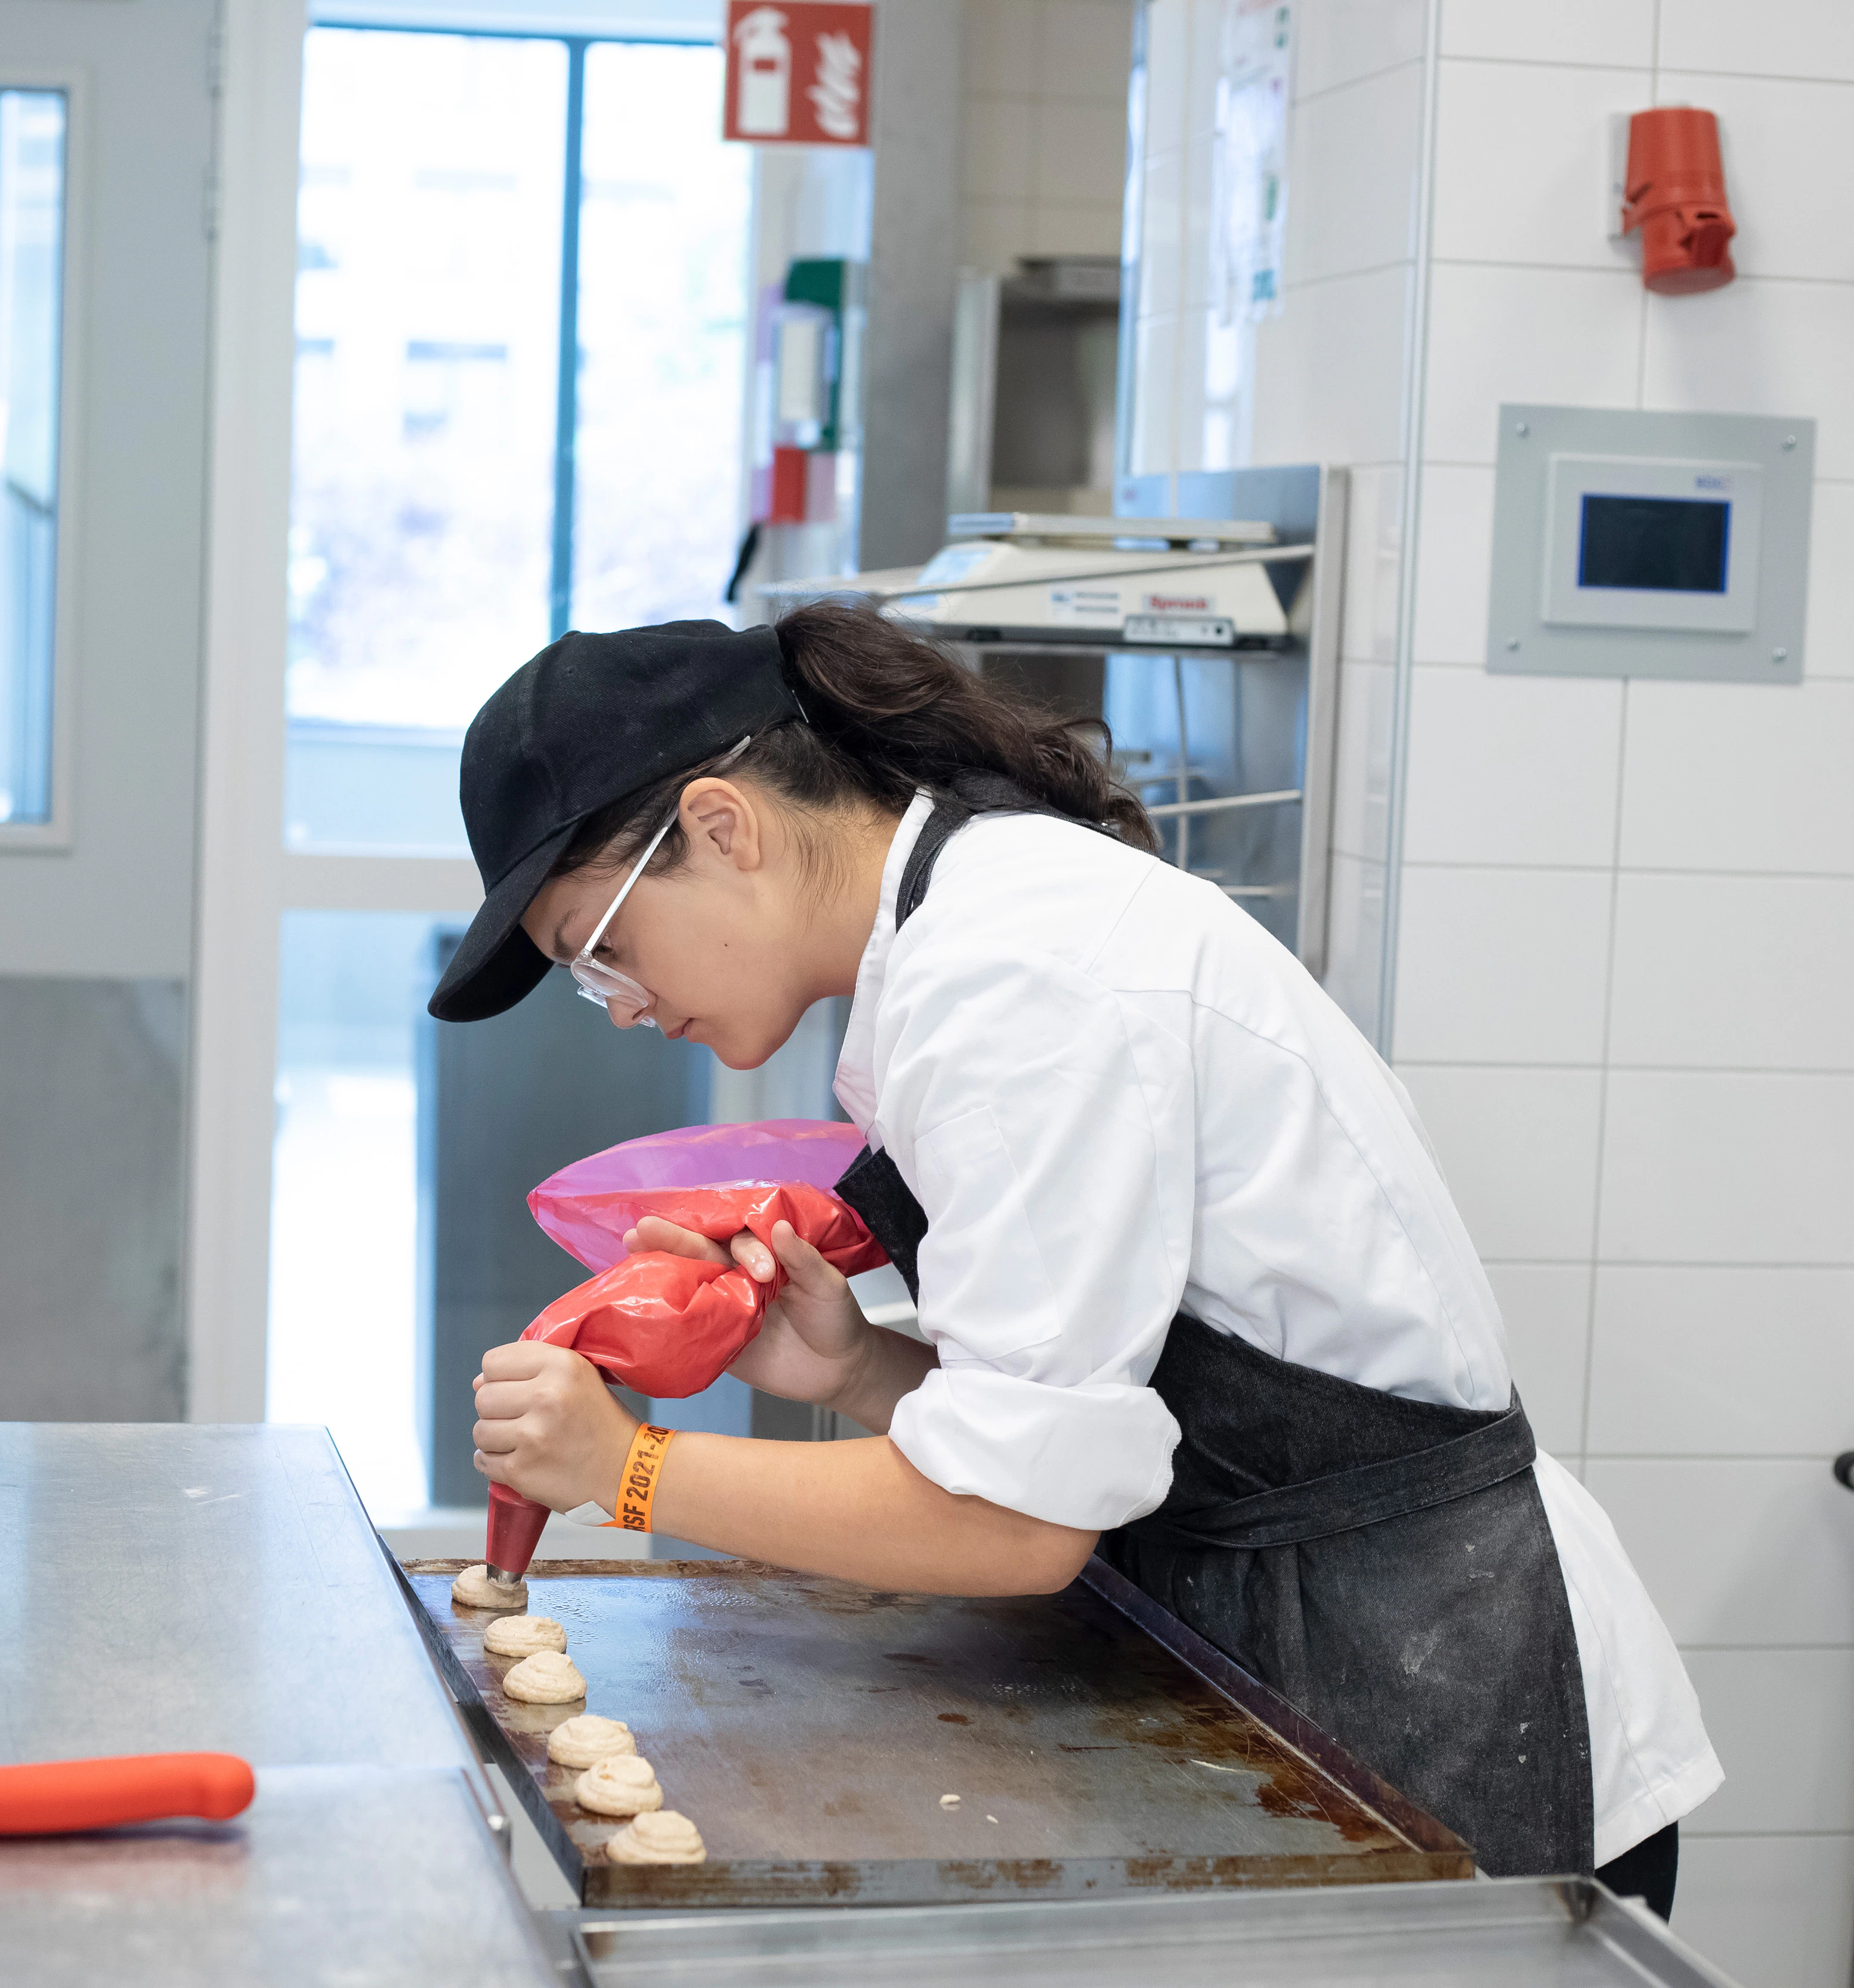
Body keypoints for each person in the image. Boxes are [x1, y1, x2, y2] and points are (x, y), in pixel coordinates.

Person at [430, 608, 1717, 1909]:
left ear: (721, 825)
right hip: (1294, 1645)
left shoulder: (1014, 981)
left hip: (1442, 1690)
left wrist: (627, 1466)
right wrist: (864, 1367)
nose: (628, 1006)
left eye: (597, 951)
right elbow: (1105, 1420)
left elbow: (1018, 1523)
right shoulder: (967, 937)